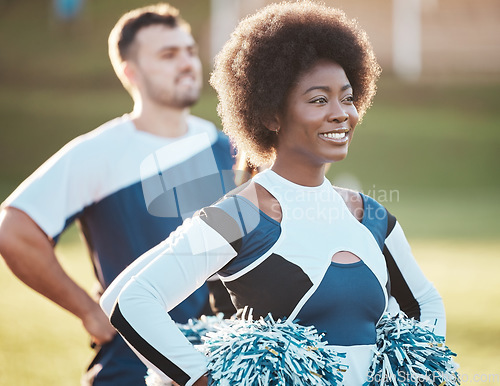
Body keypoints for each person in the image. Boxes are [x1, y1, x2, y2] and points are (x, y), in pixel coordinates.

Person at [100, 2, 447, 385]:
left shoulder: (369, 215)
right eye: (318, 99)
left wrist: (417, 370)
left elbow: (425, 304)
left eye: (347, 98)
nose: (340, 113)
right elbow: (133, 302)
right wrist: (206, 380)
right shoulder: (237, 215)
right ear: (270, 114)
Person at [0, 3, 236, 385]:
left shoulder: (227, 147)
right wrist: (89, 311)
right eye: (168, 54)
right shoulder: (99, 152)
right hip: (131, 369)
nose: (187, 63)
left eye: (190, 51)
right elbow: (14, 230)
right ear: (131, 71)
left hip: (216, 367)